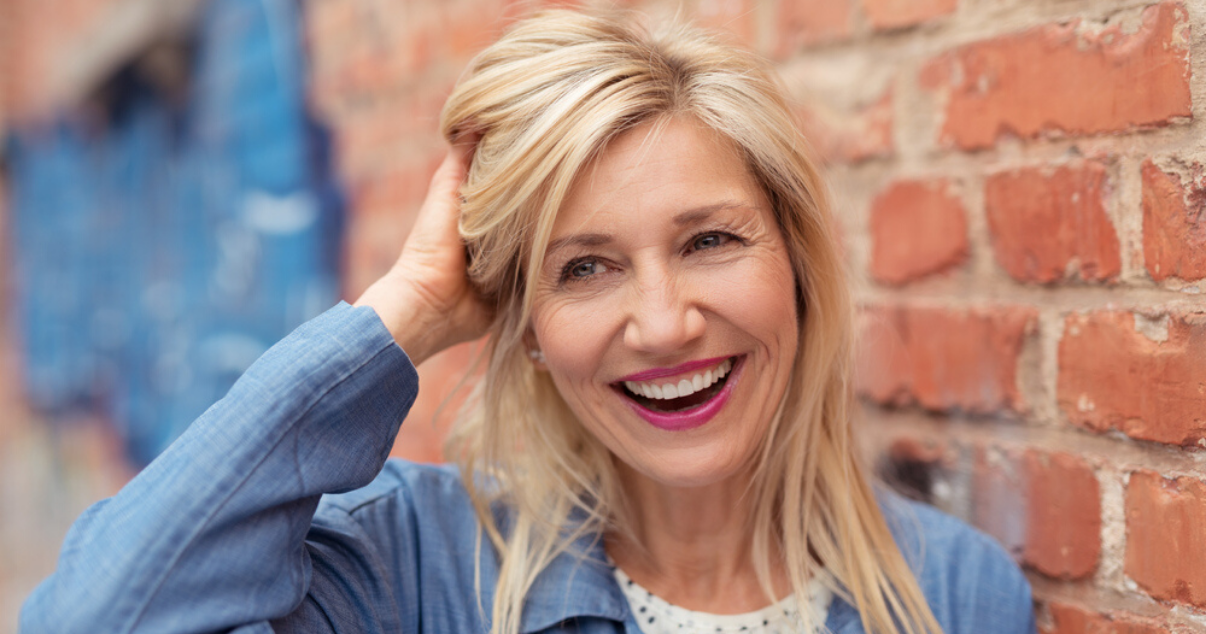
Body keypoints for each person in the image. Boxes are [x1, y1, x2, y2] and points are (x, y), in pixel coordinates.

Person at [20, 9, 1034, 634]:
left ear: (797, 266)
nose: (664, 321)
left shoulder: (951, 591)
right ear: (531, 329)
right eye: (584, 268)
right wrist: (406, 310)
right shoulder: (411, 568)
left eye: (709, 242)